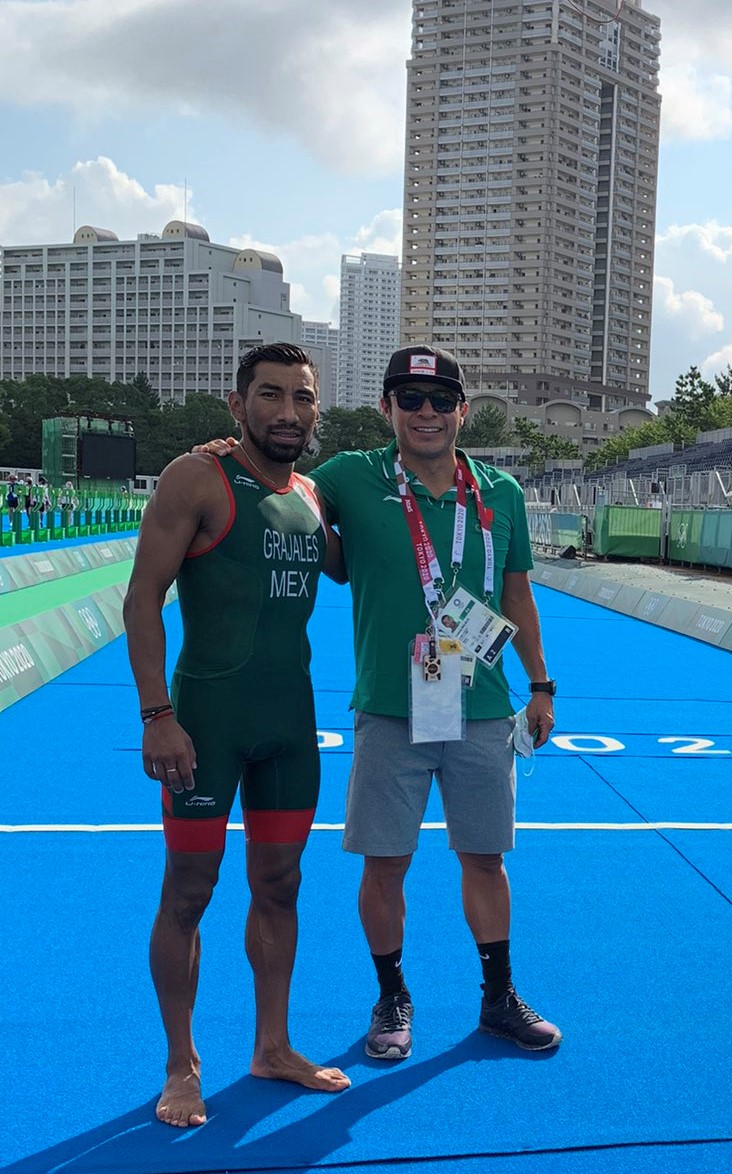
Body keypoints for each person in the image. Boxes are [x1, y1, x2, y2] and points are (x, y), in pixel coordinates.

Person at [305, 345, 560, 1061]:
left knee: (485, 857)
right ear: (386, 408)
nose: (425, 413)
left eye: (440, 400)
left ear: (461, 411)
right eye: (409, 400)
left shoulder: (499, 491)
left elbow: (517, 595)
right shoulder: (351, 477)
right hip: (392, 704)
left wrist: (539, 685)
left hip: (480, 705)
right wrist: (227, 451)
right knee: (385, 863)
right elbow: (278, 483)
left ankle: (497, 997)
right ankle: (390, 996)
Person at [123, 342, 350, 1128]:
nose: (288, 412)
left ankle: (273, 1046)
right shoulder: (199, 478)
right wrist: (158, 714)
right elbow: (142, 599)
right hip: (205, 724)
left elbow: (361, 565)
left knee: (281, 884)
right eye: (271, 396)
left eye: (303, 398)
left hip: (290, 726)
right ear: (237, 404)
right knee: (189, 891)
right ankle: (181, 1063)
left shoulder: (316, 495)